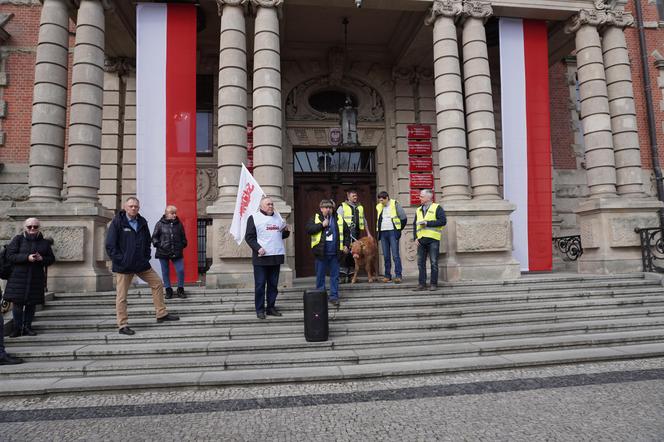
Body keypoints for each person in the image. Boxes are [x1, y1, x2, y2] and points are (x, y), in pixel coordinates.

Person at [105, 197, 179, 336]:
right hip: (124, 266)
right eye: (131, 206)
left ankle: (161, 313)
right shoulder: (117, 222)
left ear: (138, 208)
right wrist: (121, 260)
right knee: (122, 296)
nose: (133, 208)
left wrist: (145, 256)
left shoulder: (142, 222)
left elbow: (147, 242)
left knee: (157, 283)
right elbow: (110, 245)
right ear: (125, 207)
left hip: (141, 264)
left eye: (136, 206)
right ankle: (123, 325)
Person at [4, 218, 55, 337]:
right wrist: (27, 258)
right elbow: (10, 256)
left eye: (35, 226)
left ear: (39, 228)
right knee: (17, 304)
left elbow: (51, 259)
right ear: (25, 227)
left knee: (31, 304)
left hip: (35, 278)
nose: (32, 228)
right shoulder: (18, 239)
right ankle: (17, 328)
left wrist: (42, 259)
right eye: (29, 226)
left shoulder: (44, 243)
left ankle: (27, 327)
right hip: (18, 278)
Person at [245, 196, 290, 320]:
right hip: (261, 257)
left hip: (276, 256)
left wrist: (286, 230)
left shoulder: (278, 217)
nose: (271, 206)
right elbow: (249, 237)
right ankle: (260, 309)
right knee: (260, 285)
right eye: (268, 204)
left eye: (271, 204)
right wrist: (258, 248)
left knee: (273, 285)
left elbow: (282, 235)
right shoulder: (254, 218)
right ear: (261, 206)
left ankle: (271, 307)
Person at [306, 199, 350, 306]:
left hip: (335, 253)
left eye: (330, 208)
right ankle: (321, 296)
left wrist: (346, 245)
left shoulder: (338, 218)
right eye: (326, 208)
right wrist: (322, 225)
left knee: (334, 276)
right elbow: (309, 229)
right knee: (320, 276)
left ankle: (334, 296)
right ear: (321, 209)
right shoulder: (316, 217)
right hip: (321, 253)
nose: (328, 209)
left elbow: (347, 232)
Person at [412, 189, 446, 291]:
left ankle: (433, 284)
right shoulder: (418, 210)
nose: (419, 198)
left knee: (434, 262)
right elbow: (415, 225)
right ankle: (422, 284)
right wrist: (415, 238)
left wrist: (428, 223)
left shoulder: (437, 208)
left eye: (421, 196)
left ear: (428, 198)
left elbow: (443, 221)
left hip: (433, 239)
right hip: (421, 240)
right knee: (420, 263)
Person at [152, 205, 188, 299]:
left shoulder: (179, 224)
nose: (175, 215)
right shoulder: (159, 224)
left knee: (180, 270)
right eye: (172, 213)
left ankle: (180, 289)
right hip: (163, 252)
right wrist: (159, 245)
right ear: (166, 214)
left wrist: (182, 244)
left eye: (175, 213)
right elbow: (154, 237)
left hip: (176, 251)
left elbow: (183, 237)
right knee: (165, 271)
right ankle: (168, 290)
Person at [337, 189, 372, 283]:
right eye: (353, 196)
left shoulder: (360, 207)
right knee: (345, 253)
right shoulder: (342, 206)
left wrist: (368, 233)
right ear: (348, 196)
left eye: (356, 196)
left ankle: (352, 275)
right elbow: (338, 220)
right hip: (345, 234)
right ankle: (342, 276)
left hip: (356, 233)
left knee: (355, 253)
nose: (355, 197)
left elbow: (364, 220)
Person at [375, 191, 407, 283]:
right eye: (380, 200)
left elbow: (403, 218)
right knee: (386, 255)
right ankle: (387, 275)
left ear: (387, 198)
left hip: (392, 232)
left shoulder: (395, 204)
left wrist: (398, 229)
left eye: (382, 200)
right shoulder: (379, 206)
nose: (381, 202)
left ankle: (398, 276)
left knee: (395, 255)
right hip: (383, 233)